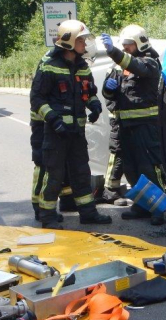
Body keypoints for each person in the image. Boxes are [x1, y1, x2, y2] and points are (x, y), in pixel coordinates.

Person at [30, 20, 110, 229]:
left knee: (81, 172)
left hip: (76, 132)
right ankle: (47, 217)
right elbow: (37, 99)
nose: (85, 44)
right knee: (54, 174)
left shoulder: (82, 67)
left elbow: (89, 92)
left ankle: (88, 213)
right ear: (70, 42)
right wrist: (54, 120)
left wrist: (95, 107)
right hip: (56, 133)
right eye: (82, 40)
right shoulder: (49, 67)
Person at [100, 25, 166, 225]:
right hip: (125, 126)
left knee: (149, 168)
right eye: (123, 46)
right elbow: (109, 95)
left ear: (139, 43)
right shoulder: (120, 67)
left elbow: (135, 65)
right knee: (131, 168)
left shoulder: (149, 62)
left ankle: (158, 209)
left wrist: (113, 51)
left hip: (145, 127)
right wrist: (107, 89)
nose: (126, 48)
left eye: (128, 45)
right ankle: (141, 205)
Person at [30, 50, 76, 223]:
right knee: (43, 163)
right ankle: (38, 206)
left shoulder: (64, 60)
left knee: (61, 162)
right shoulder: (49, 62)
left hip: (52, 120)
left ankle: (66, 200)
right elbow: (39, 97)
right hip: (42, 122)